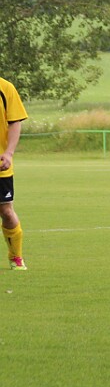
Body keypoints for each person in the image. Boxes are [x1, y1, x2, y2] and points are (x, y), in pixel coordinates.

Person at [1, 77, 29, 270]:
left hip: (0, 165)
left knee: (6, 212)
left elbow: (15, 122)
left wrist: (9, 153)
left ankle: (16, 257)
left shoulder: (6, 88)